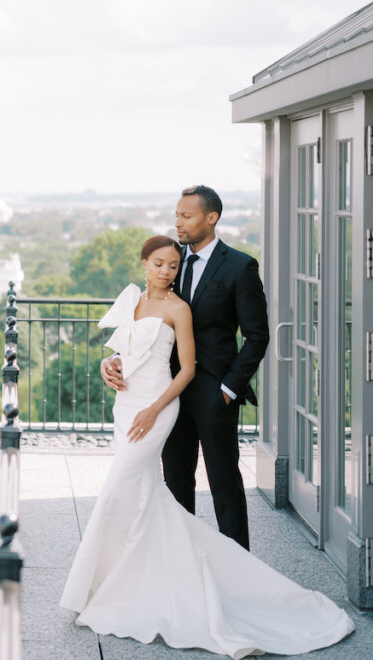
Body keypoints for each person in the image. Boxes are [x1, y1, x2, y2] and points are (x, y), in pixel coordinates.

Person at [60, 234, 354, 658]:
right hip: (127, 406)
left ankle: (223, 576)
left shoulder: (186, 303)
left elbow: (197, 363)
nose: (166, 271)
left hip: (160, 406)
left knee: (129, 487)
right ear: (144, 263)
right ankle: (140, 578)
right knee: (147, 491)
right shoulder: (131, 301)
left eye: (172, 266)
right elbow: (121, 351)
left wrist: (169, 405)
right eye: (158, 263)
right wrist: (108, 365)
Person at [102, 185, 269, 550]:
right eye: (176, 214)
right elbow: (149, 329)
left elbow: (257, 337)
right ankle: (181, 562)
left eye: (186, 215)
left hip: (213, 392)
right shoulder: (169, 264)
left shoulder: (241, 266)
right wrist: (114, 359)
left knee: (224, 481)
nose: (178, 222)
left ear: (212, 218)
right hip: (166, 391)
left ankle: (239, 566)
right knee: (176, 481)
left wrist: (227, 390)